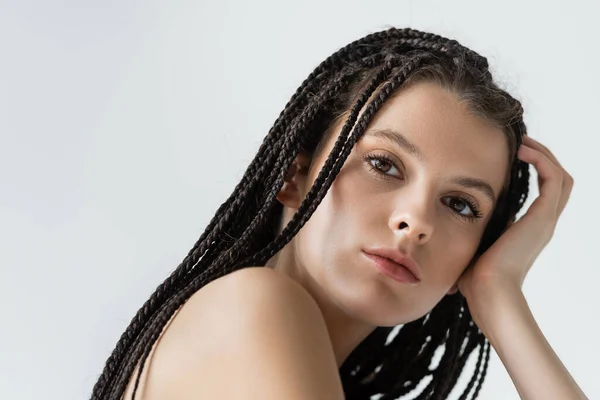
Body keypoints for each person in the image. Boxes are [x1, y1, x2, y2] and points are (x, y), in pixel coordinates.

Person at [90, 27, 587, 399]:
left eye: (460, 204)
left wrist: (497, 294)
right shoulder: (255, 305)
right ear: (293, 175)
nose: (415, 222)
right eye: (384, 165)